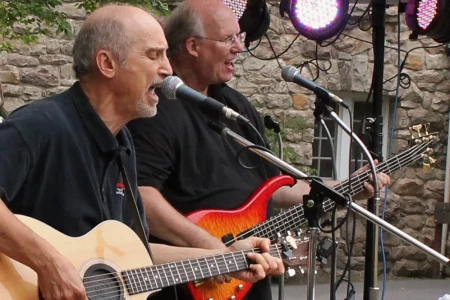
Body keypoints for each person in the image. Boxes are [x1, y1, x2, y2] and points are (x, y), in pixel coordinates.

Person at [0, 4, 285, 300]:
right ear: (107, 64)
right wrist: (48, 262)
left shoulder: (123, 146)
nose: (167, 69)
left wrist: (224, 257)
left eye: (164, 54)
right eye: (153, 55)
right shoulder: (40, 124)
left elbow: (135, 255)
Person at [126, 0, 391, 299]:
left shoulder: (236, 107)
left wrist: (343, 188)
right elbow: (141, 197)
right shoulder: (154, 108)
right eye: (229, 39)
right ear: (192, 45)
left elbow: (274, 187)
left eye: (240, 37)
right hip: (187, 280)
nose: (240, 48)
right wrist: (217, 249)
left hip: (248, 274)